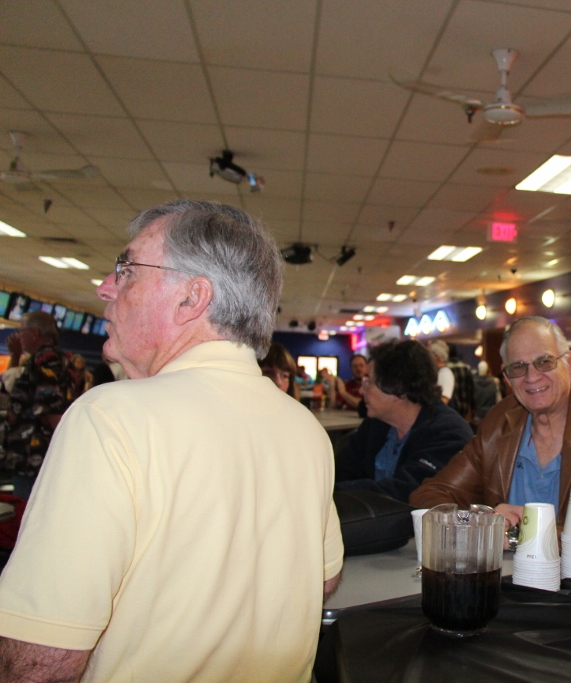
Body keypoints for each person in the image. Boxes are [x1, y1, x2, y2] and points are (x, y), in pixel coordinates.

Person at [0, 200, 344, 682]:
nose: (105, 287)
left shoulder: (109, 419)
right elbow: (324, 579)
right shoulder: (304, 428)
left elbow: (43, 660)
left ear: (192, 298)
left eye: (126, 270)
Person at [411, 317, 571, 531]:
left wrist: (519, 533)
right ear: (507, 378)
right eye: (518, 367)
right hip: (503, 575)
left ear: (570, 364)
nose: (532, 377)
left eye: (544, 361)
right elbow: (430, 495)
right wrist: (481, 522)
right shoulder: (498, 423)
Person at [336, 340, 472, 503]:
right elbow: (342, 469)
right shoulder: (378, 423)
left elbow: (406, 492)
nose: (361, 390)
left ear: (397, 388)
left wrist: (331, 494)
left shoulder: (449, 435)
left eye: (369, 382)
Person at [2, 311, 80, 500]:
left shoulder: (46, 360)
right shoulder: (51, 358)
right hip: (34, 455)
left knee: (25, 514)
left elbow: (52, 409)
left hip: (33, 455)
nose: (19, 337)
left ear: (34, 333)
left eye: (22, 331)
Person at [446, 344, 475, 421]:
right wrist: (472, 409)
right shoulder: (465, 368)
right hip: (464, 408)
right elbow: (471, 390)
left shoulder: (445, 370)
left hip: (450, 408)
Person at [427, 339, 455, 405]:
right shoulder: (439, 372)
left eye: (428, 354)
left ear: (436, 357)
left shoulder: (445, 374)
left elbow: (444, 400)